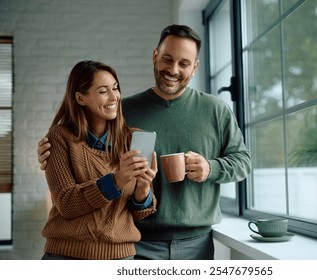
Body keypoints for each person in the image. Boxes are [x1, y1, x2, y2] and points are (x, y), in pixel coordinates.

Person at [38, 25, 251, 260]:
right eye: (167, 59)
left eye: (184, 63)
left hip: (197, 243)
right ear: (155, 56)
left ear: (195, 67)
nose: (173, 69)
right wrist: (51, 151)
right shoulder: (121, 111)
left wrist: (211, 168)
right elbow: (82, 141)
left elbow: (243, 162)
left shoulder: (216, 110)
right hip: (138, 243)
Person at [40, 60, 157, 260]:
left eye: (115, 88)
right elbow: (66, 204)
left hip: (121, 258)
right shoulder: (59, 137)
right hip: (67, 257)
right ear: (80, 98)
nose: (115, 97)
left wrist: (144, 188)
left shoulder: (132, 139)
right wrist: (118, 179)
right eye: (103, 91)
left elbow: (138, 213)